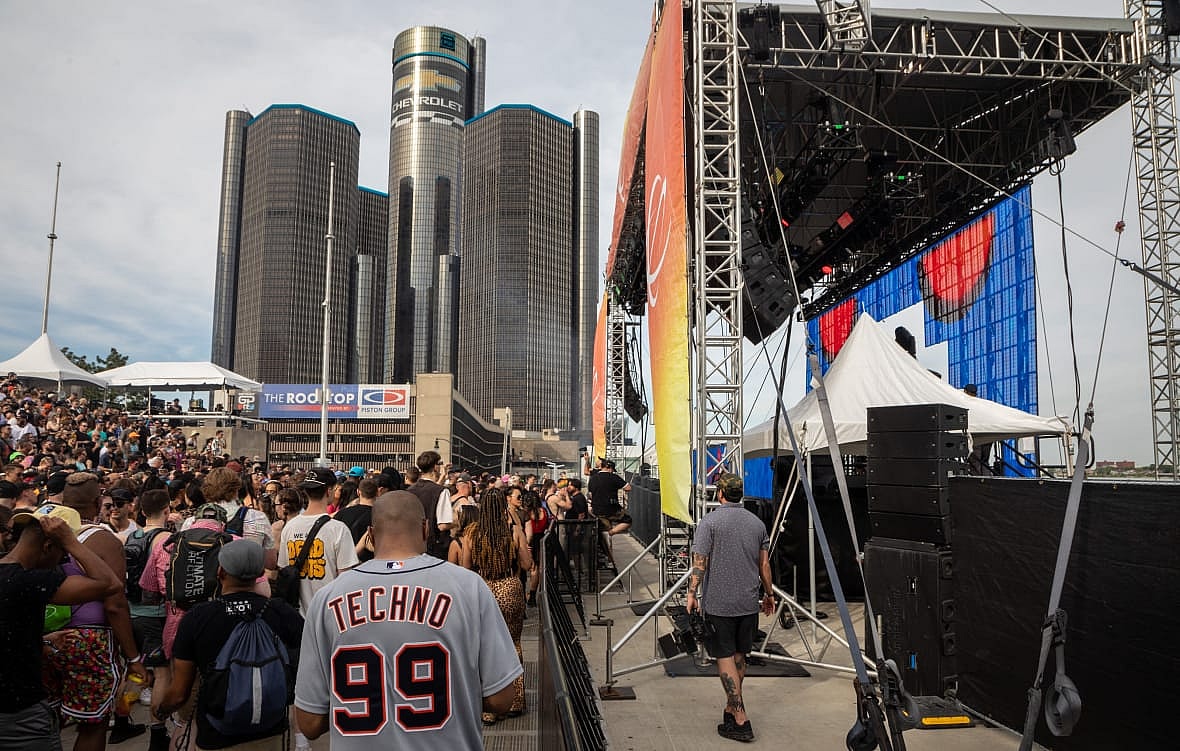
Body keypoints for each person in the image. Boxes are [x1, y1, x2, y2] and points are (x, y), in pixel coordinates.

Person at [294, 491, 522, 748]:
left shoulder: (327, 599)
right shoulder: (469, 587)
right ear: (425, 529)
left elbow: (309, 722)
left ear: (370, 534)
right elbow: (502, 699)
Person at [155, 540, 303, 751]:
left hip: (217, 735)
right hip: (272, 730)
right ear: (261, 571)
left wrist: (161, 711)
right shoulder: (281, 612)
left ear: (221, 571)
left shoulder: (197, 618)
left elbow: (179, 692)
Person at [0, 504, 122, 751]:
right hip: (19, 714)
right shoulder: (27, 581)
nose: (62, 561)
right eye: (64, 556)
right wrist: (71, 542)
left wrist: (40, 641)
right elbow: (110, 584)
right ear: (49, 546)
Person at [45, 472, 149, 751]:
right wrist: (134, 657)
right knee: (94, 723)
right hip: (90, 641)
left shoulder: (40, 529)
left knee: (46, 721)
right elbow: (114, 603)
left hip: (45, 638)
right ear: (96, 502)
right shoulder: (105, 540)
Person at [685, 474, 776, 743]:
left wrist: (691, 593)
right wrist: (769, 594)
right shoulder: (757, 523)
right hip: (747, 602)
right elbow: (764, 565)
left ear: (720, 494)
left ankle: (740, 718)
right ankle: (730, 707)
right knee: (739, 656)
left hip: (719, 603)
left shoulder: (709, 522)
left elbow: (699, 563)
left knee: (724, 657)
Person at [459, 487, 532, 724]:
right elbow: (527, 562)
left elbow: (465, 568)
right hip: (509, 587)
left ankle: (488, 707)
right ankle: (516, 700)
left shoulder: (471, 533)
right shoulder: (514, 530)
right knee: (514, 643)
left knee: (483, 648)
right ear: (503, 506)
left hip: (483, 589)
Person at [279, 467, 359, 616]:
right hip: (329, 614)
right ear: (329, 491)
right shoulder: (338, 529)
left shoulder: (289, 527)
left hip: (296, 617)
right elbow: (346, 580)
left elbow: (283, 569)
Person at [405, 450, 453, 559]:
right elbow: (443, 525)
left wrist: (443, 476)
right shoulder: (441, 491)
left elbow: (429, 489)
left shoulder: (409, 491)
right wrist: (456, 522)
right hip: (435, 549)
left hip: (412, 547)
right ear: (435, 467)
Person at [334, 477, 377, 563]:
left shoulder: (342, 513)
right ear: (377, 493)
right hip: (371, 564)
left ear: (358, 492)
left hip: (344, 562)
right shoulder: (381, 516)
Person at [587, 459, 632, 536]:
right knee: (628, 520)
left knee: (602, 526)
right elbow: (628, 488)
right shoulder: (614, 477)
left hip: (596, 509)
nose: (612, 471)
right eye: (612, 470)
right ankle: (612, 532)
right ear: (609, 467)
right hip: (612, 510)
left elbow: (590, 494)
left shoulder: (593, 478)